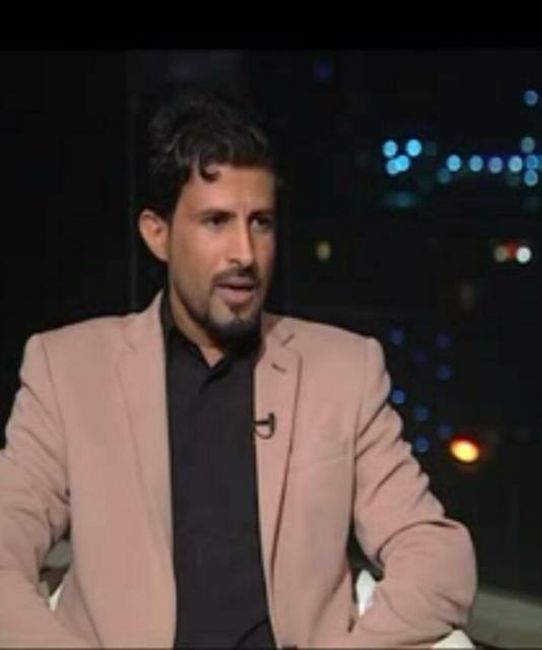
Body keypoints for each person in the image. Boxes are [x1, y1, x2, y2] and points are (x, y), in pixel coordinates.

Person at [0, 88, 477, 648]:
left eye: (261, 223)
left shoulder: (344, 371)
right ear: (157, 234)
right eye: (216, 222)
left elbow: (437, 558)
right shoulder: (68, 370)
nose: (245, 254)